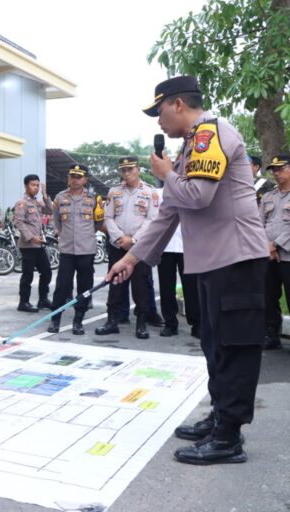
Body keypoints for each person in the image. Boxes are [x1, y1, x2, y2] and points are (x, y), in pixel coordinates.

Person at [108, 75, 268, 465]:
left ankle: (229, 436)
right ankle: (220, 417)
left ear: (178, 104)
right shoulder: (189, 150)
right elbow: (169, 213)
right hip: (215, 263)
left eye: (159, 111)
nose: (158, 122)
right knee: (215, 345)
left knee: (234, 347)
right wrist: (131, 259)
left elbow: (196, 196)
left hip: (237, 259)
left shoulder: (210, 135)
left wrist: (165, 175)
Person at [95, 157, 159, 339]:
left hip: (139, 247)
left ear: (138, 169)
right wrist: (120, 238)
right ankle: (112, 321)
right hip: (118, 245)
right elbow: (108, 217)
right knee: (115, 283)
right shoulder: (114, 192)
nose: (126, 174)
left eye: (130, 169)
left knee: (141, 286)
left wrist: (134, 239)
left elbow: (152, 219)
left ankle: (141, 324)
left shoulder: (150, 192)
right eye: (123, 170)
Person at [46, 164, 103, 335]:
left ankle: (78, 320)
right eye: (72, 176)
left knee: (85, 287)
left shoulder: (94, 198)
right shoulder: (60, 197)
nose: (75, 180)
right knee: (62, 286)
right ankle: (55, 319)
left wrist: (86, 235)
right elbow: (56, 220)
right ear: (68, 178)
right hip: (67, 250)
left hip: (87, 250)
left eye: (79, 177)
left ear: (85, 179)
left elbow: (98, 221)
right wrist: (63, 234)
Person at [155, 185, 201, 338]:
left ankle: (197, 323)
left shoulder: (192, 191)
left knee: (191, 287)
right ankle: (170, 323)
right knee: (166, 287)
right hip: (165, 246)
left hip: (188, 246)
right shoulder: (158, 193)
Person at [259, 155, 290, 350]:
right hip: (268, 255)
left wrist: (275, 244)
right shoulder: (268, 196)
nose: (276, 173)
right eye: (273, 170)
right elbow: (258, 223)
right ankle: (272, 333)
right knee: (268, 296)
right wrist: (266, 246)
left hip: (287, 255)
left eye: (280, 169)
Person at [13, 174, 53, 313]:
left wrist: (45, 195)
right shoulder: (21, 203)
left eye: (37, 185)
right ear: (26, 186)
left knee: (47, 272)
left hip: (39, 244)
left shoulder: (37, 202)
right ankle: (23, 302)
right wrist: (31, 237)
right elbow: (19, 222)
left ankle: (43, 299)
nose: (35, 188)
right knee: (28, 274)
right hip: (28, 245)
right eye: (33, 185)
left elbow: (50, 210)